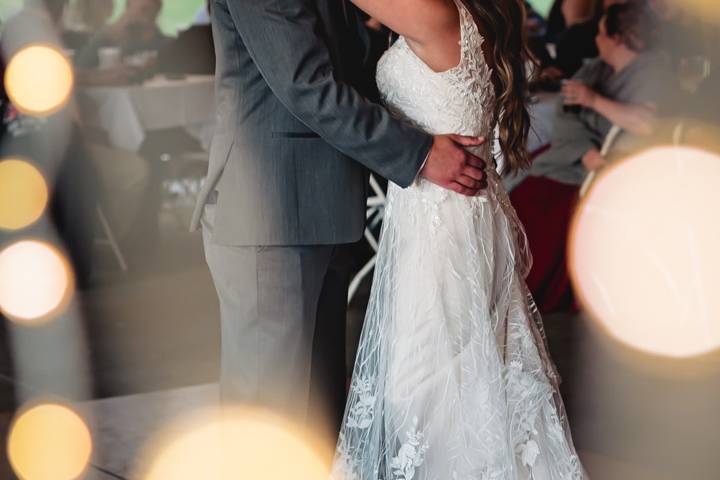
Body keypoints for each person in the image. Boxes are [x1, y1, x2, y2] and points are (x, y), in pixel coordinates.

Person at [191, 0, 489, 448]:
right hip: (268, 211)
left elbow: (349, 57)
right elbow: (306, 85)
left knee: (318, 416)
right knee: (268, 415)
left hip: (321, 204)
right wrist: (420, 154)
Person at [330, 0, 585, 478]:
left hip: (442, 226)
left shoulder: (438, 15)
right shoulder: (469, 18)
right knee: (460, 373)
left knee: (421, 380)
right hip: (455, 217)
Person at [506, 1, 671, 313]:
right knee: (523, 184)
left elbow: (647, 123)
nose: (596, 38)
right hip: (582, 156)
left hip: (621, 166)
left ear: (619, 38)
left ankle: (537, 287)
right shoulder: (596, 67)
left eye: (601, 33)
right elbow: (565, 114)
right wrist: (584, 152)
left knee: (537, 208)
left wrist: (594, 101)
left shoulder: (654, 73)